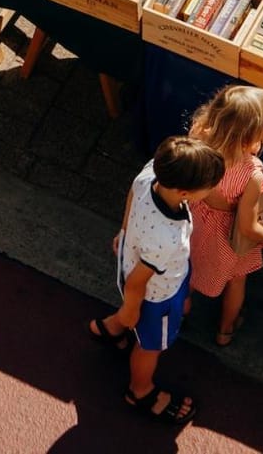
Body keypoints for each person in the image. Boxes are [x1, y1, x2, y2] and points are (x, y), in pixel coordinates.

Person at [88, 135, 224, 428]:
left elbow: (132, 197)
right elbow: (138, 283)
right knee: (151, 345)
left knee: (138, 319)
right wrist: (131, 309)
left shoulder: (152, 172)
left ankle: (112, 329)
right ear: (185, 193)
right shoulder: (168, 238)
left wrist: (124, 233)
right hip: (156, 295)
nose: (212, 190)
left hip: (139, 261)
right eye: (209, 188)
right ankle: (140, 391)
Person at [187, 84, 263, 345]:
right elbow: (247, 226)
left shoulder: (197, 136)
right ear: (255, 134)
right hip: (226, 237)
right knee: (236, 281)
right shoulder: (251, 172)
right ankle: (225, 330)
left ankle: (179, 312)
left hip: (193, 222)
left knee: (188, 271)